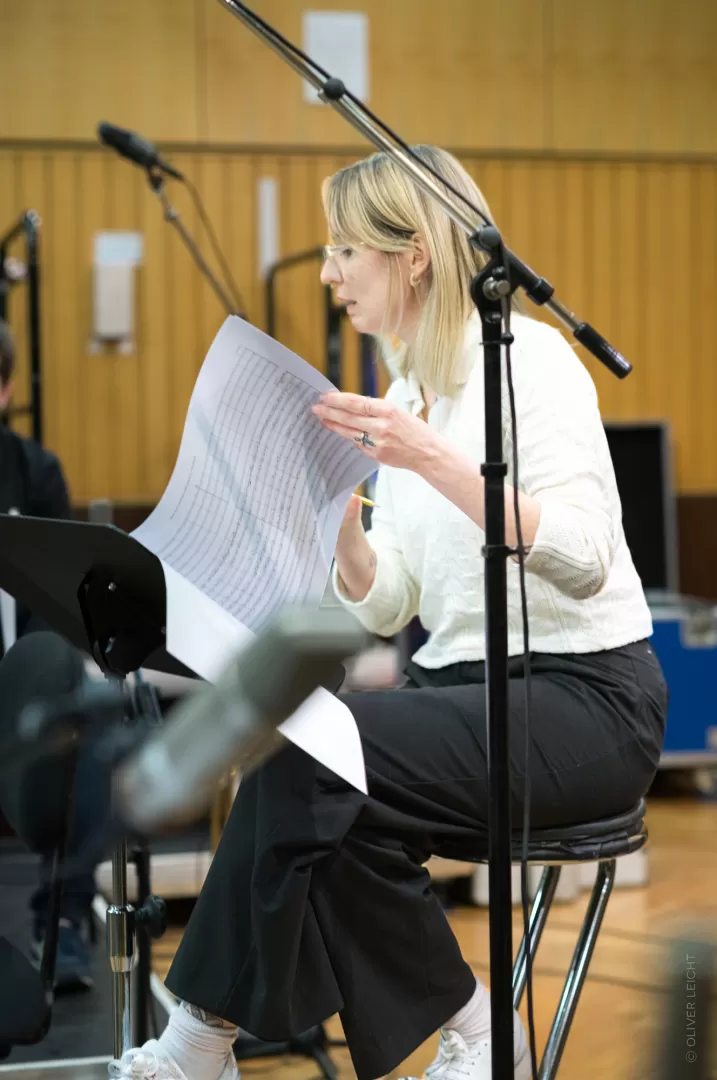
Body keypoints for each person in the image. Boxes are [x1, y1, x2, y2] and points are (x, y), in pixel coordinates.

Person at [109, 147, 667, 1080]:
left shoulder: (528, 363)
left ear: (413, 255)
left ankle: (203, 1045)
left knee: (308, 755)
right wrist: (338, 529)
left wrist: (430, 461)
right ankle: (465, 1032)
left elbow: (586, 558)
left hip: (587, 703)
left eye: (343, 252)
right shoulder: (405, 389)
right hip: (461, 692)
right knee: (306, 766)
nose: (327, 274)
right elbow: (394, 599)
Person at [0, 319, 97, 990]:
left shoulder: (34, 471)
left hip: (16, 686)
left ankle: (61, 920)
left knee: (84, 718)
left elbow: (57, 608)